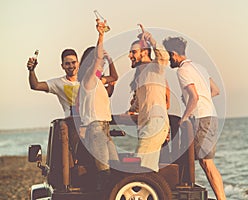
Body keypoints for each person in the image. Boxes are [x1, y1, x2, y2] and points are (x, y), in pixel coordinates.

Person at [163, 37, 226, 200]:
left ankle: (221, 198)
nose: (169, 61)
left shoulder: (182, 70)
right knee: (200, 161)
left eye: (169, 57)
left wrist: (184, 117)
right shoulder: (200, 67)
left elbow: (194, 96)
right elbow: (215, 90)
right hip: (210, 115)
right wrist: (201, 99)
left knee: (206, 162)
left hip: (201, 118)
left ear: (174, 54)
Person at [27, 48, 80, 190]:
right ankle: (69, 180)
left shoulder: (87, 80)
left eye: (73, 62)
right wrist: (31, 70)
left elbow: (108, 84)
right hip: (72, 124)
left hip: (90, 123)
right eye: (67, 63)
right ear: (62, 66)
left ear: (78, 63)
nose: (71, 66)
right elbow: (35, 85)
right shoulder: (59, 83)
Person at [78, 18, 119, 192]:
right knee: (105, 173)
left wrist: (110, 61)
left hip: (105, 128)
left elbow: (114, 78)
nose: (101, 64)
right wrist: (101, 35)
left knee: (115, 169)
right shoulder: (88, 79)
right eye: (99, 61)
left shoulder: (98, 81)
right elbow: (97, 58)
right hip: (95, 129)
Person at [128, 29, 170, 172]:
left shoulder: (155, 68)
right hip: (147, 125)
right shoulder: (141, 77)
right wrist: (130, 111)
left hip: (155, 123)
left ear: (144, 52)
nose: (129, 56)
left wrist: (150, 38)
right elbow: (139, 104)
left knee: (137, 165)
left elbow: (164, 56)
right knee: (148, 169)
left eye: (133, 52)